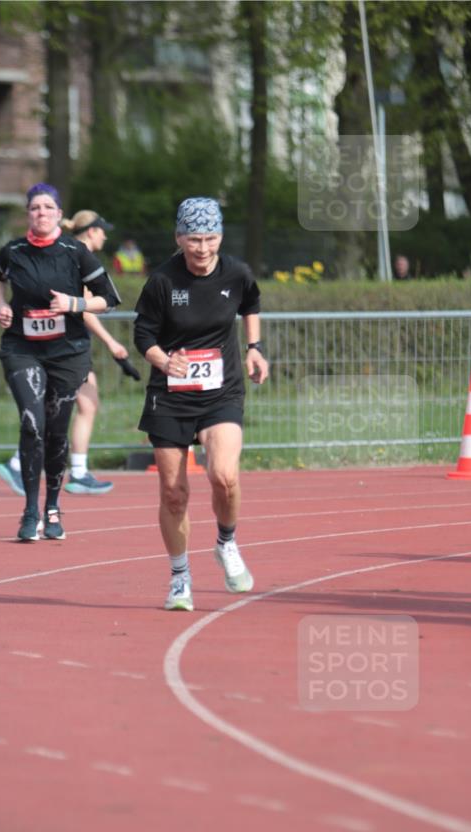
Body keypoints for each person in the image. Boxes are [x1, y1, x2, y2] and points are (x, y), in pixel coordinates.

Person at [133, 196, 268, 611]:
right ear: (179, 238)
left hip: (220, 391)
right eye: (194, 239)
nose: (203, 248)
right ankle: (180, 577)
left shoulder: (237, 273)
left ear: (220, 237)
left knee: (224, 476)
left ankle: (226, 542)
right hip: (170, 396)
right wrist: (163, 361)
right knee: (174, 493)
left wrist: (254, 348)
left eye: (210, 238)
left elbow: (251, 304)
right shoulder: (162, 281)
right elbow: (143, 335)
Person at [0, 183, 121, 541]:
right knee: (33, 423)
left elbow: (109, 299)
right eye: (35, 208)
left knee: (57, 431)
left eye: (48, 207)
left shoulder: (76, 252)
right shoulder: (13, 250)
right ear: (28, 214)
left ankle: (52, 506)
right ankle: (30, 511)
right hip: (22, 348)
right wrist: (2, 305)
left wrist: (73, 304)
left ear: (59, 214)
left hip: (67, 353)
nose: (41, 213)